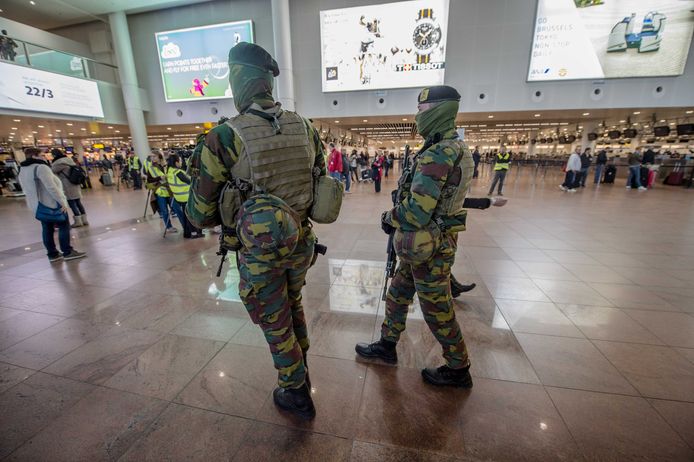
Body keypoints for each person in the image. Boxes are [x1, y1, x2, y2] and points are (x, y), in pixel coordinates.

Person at [187, 42, 328, 420]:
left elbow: (199, 215)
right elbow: (321, 182)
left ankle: (295, 389)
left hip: (259, 251)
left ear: (239, 80)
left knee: (272, 315)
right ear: (268, 81)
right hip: (302, 242)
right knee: (292, 302)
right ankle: (301, 363)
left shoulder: (225, 137)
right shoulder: (305, 127)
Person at [356, 85, 474, 388]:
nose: (417, 116)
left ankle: (459, 368)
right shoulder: (450, 146)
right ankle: (387, 345)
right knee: (397, 293)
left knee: (436, 308)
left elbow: (418, 211)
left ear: (438, 111)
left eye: (421, 111)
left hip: (429, 244)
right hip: (423, 243)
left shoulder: (441, 151)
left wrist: (389, 218)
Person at [17, 148, 86, 262]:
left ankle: (52, 254)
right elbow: (51, 187)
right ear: (34, 156)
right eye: (42, 155)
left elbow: (25, 188)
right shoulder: (41, 167)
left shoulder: (23, 169)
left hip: (37, 205)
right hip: (51, 203)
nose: (44, 157)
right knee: (64, 225)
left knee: (47, 228)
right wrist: (62, 202)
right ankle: (67, 251)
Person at [166, 154, 203, 239]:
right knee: (191, 216)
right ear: (176, 162)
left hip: (179, 197)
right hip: (186, 197)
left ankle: (187, 233)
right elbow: (189, 181)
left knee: (186, 216)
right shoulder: (178, 172)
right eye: (180, 160)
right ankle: (194, 233)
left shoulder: (170, 171)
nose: (181, 162)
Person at [50, 148, 89, 228]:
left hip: (67, 185)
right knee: (78, 202)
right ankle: (84, 220)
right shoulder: (69, 160)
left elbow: (51, 172)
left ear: (54, 155)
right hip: (75, 183)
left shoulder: (58, 163)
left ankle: (78, 221)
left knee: (72, 203)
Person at [145, 152, 177, 233]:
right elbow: (149, 180)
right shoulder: (151, 168)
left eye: (154, 156)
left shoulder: (166, 165)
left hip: (170, 190)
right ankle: (169, 227)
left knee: (177, 209)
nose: (152, 158)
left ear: (159, 157)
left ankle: (185, 226)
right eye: (151, 156)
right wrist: (159, 178)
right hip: (160, 192)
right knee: (164, 211)